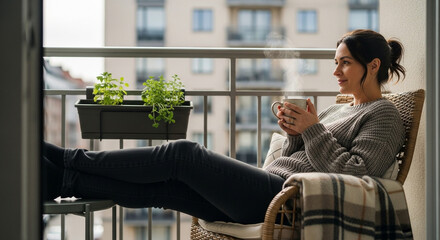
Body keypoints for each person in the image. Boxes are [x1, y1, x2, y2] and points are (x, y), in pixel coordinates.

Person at [42, 29, 406, 225]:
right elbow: (310, 158)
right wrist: (298, 134)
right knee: (165, 189)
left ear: (372, 66)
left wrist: (312, 130)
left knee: (184, 154)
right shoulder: (337, 110)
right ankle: (61, 180)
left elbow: (359, 173)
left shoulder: (383, 115)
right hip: (269, 188)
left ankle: (68, 159)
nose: (336, 71)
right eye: (336, 62)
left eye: (344, 63)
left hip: (284, 201)